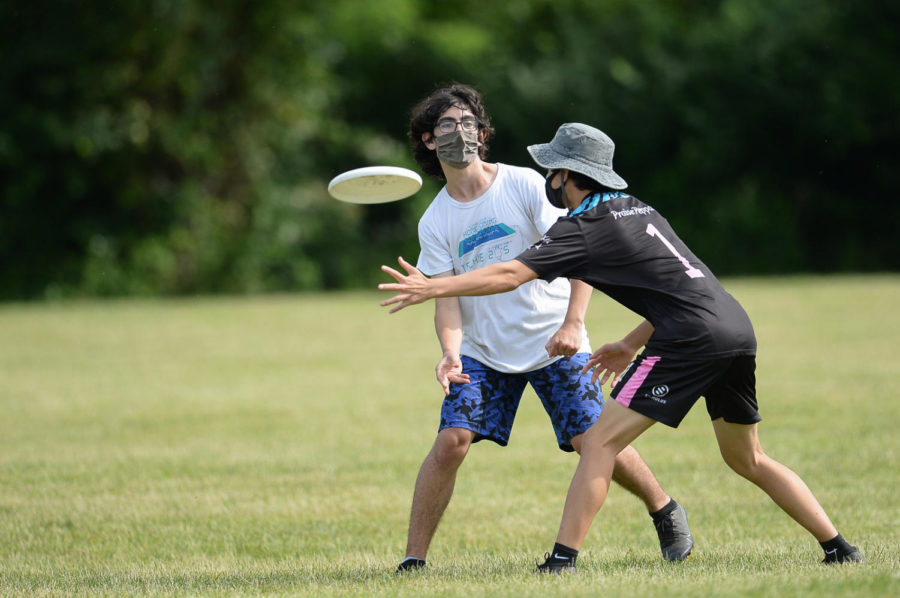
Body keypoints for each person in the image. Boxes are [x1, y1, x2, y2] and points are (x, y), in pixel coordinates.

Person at [379, 122, 863, 572]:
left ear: (567, 175)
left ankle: (563, 560)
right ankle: (839, 548)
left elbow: (510, 274)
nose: (549, 177)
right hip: (734, 327)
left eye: (553, 169)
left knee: (601, 442)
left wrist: (432, 288)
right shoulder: (637, 207)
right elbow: (679, 289)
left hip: (689, 339)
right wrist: (630, 343)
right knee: (747, 459)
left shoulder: (581, 229)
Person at [394, 86, 694, 573]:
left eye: (469, 123)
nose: (461, 132)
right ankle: (414, 559)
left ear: (483, 134)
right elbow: (446, 298)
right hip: (486, 352)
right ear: (428, 140)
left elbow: (582, 250)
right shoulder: (436, 220)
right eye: (448, 125)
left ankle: (664, 509)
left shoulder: (525, 185)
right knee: (451, 441)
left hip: (556, 339)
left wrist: (575, 322)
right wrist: (451, 352)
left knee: (592, 441)